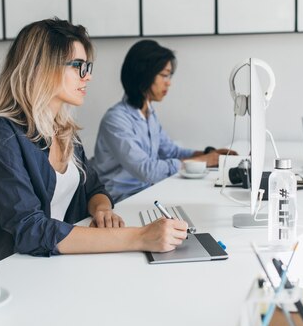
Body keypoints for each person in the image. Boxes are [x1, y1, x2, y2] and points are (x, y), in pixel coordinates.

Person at [0, 19, 187, 267]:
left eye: (88, 66)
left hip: (45, 266)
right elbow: (31, 229)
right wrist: (140, 237)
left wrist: (102, 210)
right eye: (78, 66)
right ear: (40, 67)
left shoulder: (64, 131)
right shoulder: (1, 134)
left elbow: (94, 189)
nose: (88, 76)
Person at [92, 39, 234, 203]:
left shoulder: (148, 113)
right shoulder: (116, 120)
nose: (169, 82)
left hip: (146, 193)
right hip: (121, 202)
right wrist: (201, 161)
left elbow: (171, 151)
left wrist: (208, 154)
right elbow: (146, 170)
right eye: (164, 75)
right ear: (144, 73)